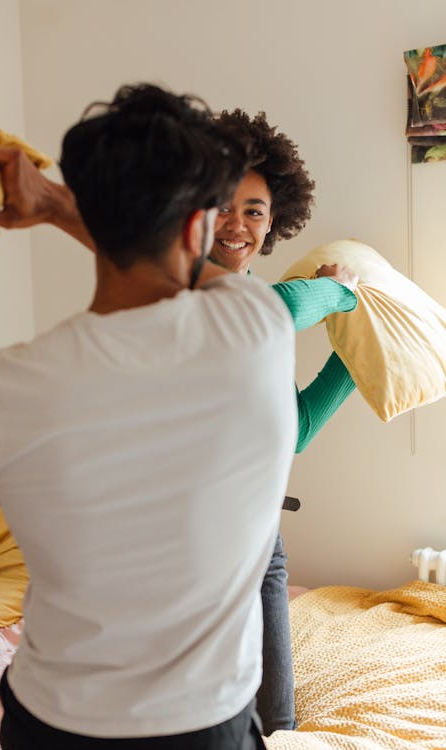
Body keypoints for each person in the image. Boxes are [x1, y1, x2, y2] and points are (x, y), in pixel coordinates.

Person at [0, 84, 298, 750]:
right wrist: (52, 205)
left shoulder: (3, 384)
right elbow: (191, 272)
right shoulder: (259, 328)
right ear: (200, 226)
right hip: (208, 726)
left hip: (57, 724)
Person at [210, 109, 358, 735]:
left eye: (254, 210)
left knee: (277, 716)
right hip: (199, 526)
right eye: (221, 203)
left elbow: (291, 424)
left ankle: (279, 730)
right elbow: (288, 304)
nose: (237, 224)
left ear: (273, 224)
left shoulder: (259, 307)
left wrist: (355, 361)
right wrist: (343, 293)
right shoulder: (188, 290)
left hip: (258, 525)